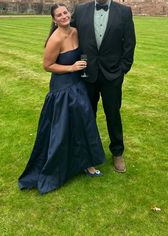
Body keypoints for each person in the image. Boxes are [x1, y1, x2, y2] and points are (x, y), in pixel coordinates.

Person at [18, 3, 106, 195]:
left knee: (84, 123)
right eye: (59, 15)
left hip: (78, 85)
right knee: (62, 128)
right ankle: (58, 167)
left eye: (65, 12)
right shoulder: (55, 39)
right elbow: (47, 65)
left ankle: (88, 164)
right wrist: (71, 68)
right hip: (62, 88)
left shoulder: (76, 31)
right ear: (54, 19)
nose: (64, 16)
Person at [72, 0, 136, 173]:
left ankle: (117, 153)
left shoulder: (124, 12)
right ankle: (87, 154)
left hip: (112, 74)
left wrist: (123, 68)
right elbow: (68, 33)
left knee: (113, 114)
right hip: (87, 73)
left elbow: (129, 42)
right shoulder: (80, 10)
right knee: (87, 114)